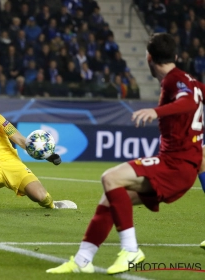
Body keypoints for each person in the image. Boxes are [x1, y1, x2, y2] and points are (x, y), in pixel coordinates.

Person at [46, 33, 205, 275]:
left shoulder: (175, 80)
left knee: (110, 177)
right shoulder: (193, 81)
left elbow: (188, 103)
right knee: (111, 197)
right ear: (175, 55)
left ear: (149, 58)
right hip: (181, 165)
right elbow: (194, 101)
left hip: (176, 164)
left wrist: (157, 111)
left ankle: (131, 250)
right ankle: (81, 261)